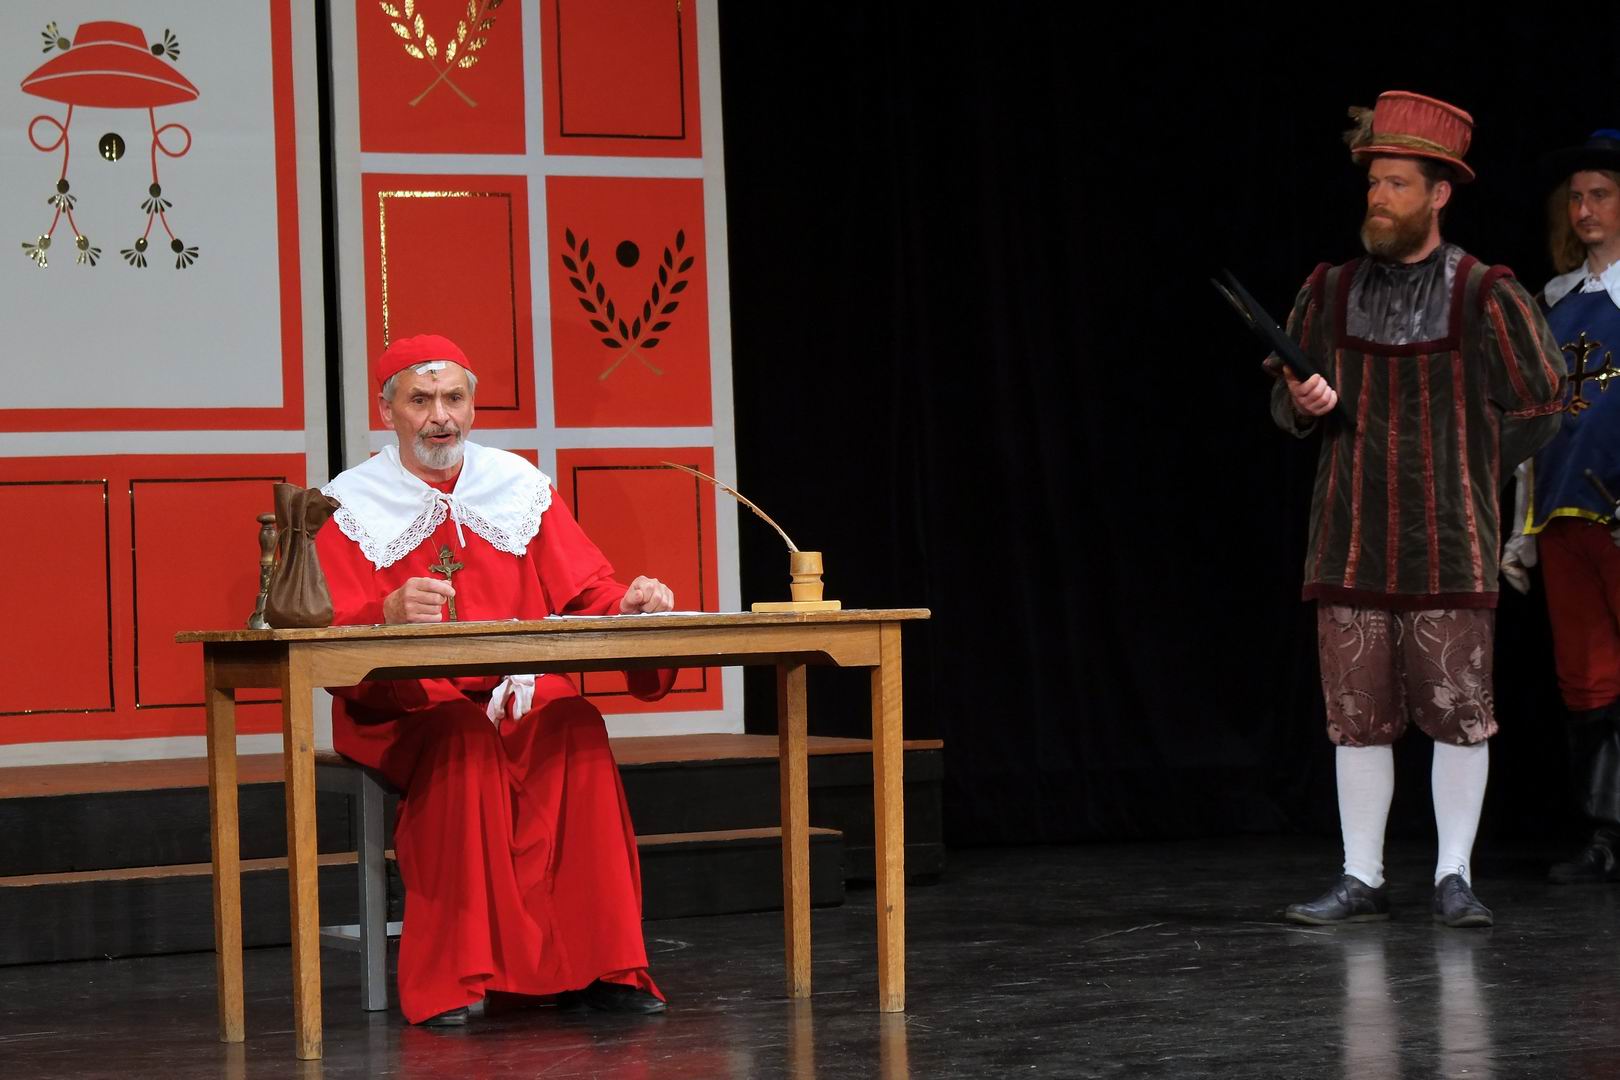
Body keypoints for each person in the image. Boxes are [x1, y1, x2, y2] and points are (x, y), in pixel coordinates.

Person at [315, 333, 677, 1025]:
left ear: (473, 406)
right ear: (387, 411)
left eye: (454, 398)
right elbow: (325, 627)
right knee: (462, 737)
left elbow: (587, 592)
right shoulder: (349, 505)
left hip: (517, 692)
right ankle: (457, 975)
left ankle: (602, 965)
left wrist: (627, 603)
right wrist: (384, 613)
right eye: (421, 401)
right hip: (406, 706)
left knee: (574, 723)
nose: (440, 417)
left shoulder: (518, 487)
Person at [1267, 92, 1566, 928]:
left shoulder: (1484, 292)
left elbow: (1543, 402)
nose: (1378, 198)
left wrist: (1468, 467)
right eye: (1373, 184)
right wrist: (1303, 400)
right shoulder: (1329, 291)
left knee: (1460, 716)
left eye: (1396, 185)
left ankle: (1453, 876)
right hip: (1349, 542)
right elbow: (1285, 409)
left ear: (1439, 194)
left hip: (1449, 544)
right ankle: (1360, 875)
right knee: (1357, 719)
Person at [1499, 130, 1620, 883]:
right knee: (1587, 675)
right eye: (1575, 197)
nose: (1584, 209)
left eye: (1600, 194)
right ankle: (1606, 836)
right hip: (1562, 510)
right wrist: (1522, 524)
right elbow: (1536, 418)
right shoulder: (1554, 301)